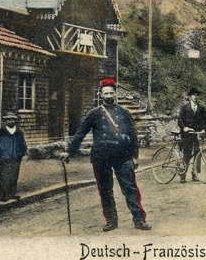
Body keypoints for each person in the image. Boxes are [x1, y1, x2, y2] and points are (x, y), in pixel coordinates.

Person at [60, 77, 151, 232]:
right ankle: (110, 220)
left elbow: (133, 135)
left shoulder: (125, 113)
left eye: (111, 93)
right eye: (105, 93)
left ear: (115, 94)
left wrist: (134, 156)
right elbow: (80, 134)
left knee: (130, 189)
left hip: (123, 157)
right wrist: (69, 151)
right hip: (101, 158)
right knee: (105, 190)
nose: (108, 96)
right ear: (100, 94)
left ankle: (139, 220)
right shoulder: (93, 114)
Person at [0, 111, 27, 202]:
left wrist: (21, 153)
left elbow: (23, 144)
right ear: (5, 121)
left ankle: (12, 194)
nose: (10, 121)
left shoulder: (19, 132)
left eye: (12, 119)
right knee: (4, 176)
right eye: (8, 120)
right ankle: (4, 195)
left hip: (15, 157)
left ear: (15, 121)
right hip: (4, 157)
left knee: (14, 175)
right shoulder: (0, 132)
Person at [177, 88, 206, 182]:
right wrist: (184, 128)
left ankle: (195, 174)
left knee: (198, 154)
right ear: (190, 97)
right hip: (187, 134)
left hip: (197, 134)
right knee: (187, 155)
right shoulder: (184, 107)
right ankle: (182, 175)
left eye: (197, 95)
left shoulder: (201, 108)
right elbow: (180, 119)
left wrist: (205, 130)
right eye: (193, 95)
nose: (195, 97)